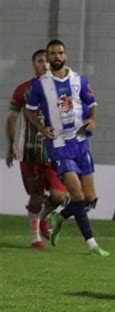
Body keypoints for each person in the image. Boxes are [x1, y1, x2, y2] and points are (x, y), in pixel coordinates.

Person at [25, 39, 110, 256]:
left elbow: (92, 104)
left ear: (66, 55)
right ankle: (92, 244)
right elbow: (30, 110)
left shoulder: (79, 80)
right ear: (48, 57)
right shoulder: (39, 85)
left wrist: (92, 120)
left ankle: (59, 217)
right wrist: (42, 130)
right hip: (59, 146)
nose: (56, 57)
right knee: (76, 193)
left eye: (59, 53)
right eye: (52, 54)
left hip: (81, 143)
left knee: (90, 197)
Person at [5, 49, 67, 249]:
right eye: (40, 61)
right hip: (31, 151)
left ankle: (43, 218)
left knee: (58, 196)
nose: (45, 64)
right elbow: (12, 117)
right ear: (34, 65)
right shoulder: (23, 89)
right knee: (36, 196)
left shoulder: (61, 89)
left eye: (47, 61)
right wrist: (11, 146)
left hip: (54, 151)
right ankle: (35, 238)